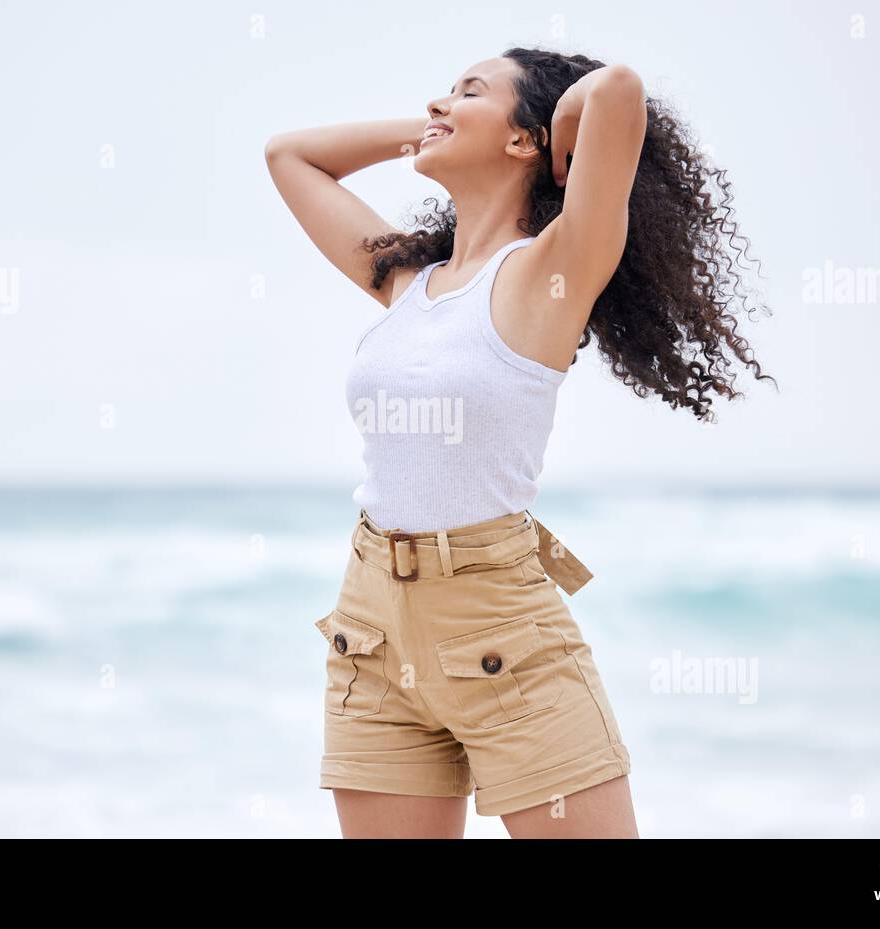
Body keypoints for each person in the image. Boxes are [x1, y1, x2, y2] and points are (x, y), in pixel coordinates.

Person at [265, 47, 773, 838]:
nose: (440, 100)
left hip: (501, 628)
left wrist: (553, 121)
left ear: (526, 141)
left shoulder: (553, 270)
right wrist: (443, 125)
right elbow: (290, 155)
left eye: (469, 90)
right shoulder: (405, 279)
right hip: (369, 627)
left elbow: (620, 90)